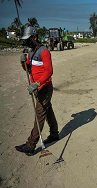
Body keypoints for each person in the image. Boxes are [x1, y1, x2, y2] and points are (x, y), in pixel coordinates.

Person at [15, 26, 59, 155]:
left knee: (40, 115)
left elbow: (49, 71)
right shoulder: (31, 52)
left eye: (28, 39)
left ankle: (30, 144)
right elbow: (28, 69)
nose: (26, 42)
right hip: (36, 88)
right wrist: (23, 63)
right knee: (47, 109)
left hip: (44, 88)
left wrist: (38, 83)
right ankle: (54, 133)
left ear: (35, 37)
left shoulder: (44, 51)